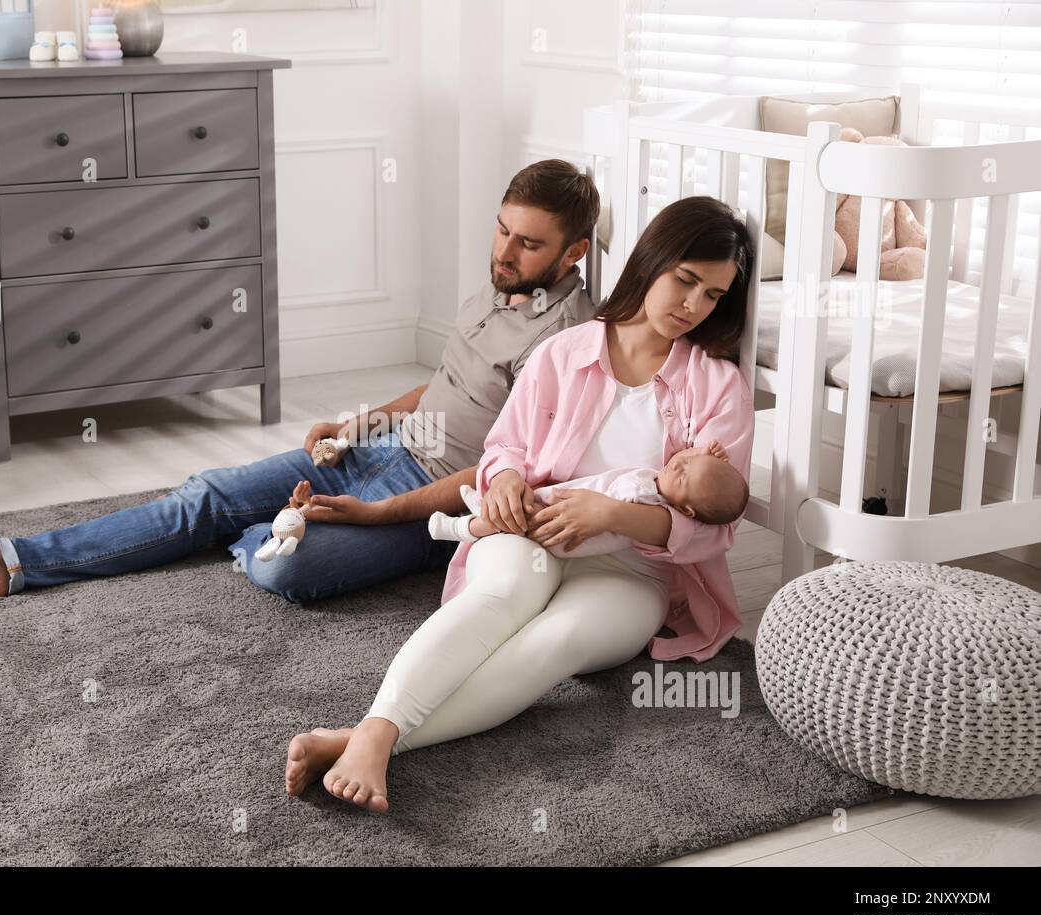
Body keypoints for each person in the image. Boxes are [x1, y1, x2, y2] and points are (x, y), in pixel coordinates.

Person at [0, 160, 600, 602]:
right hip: (382, 452)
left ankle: (266, 531)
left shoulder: (567, 344)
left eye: (527, 243)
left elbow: (504, 470)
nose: (502, 253)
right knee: (207, 492)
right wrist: (364, 423)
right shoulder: (497, 289)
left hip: (430, 503)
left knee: (285, 568)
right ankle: (11, 560)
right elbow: (449, 386)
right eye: (501, 231)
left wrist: (379, 512)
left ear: (572, 253)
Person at [283, 195, 757, 813]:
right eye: (685, 281)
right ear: (651, 262)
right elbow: (505, 446)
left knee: (557, 643)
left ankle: (368, 738)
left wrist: (613, 513)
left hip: (633, 568)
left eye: (714, 296)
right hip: (528, 529)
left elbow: (717, 528)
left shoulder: (718, 387)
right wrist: (504, 480)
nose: (693, 306)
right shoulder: (564, 352)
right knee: (502, 598)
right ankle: (377, 731)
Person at [428, 439, 748, 557]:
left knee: (519, 520)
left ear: (685, 509)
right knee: (516, 514)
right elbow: (684, 460)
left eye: (683, 475)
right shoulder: (665, 486)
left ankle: (461, 529)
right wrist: (705, 454)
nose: (678, 463)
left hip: (564, 527)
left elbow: (606, 505)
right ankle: (478, 512)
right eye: (686, 460)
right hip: (569, 516)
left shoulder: (646, 495)